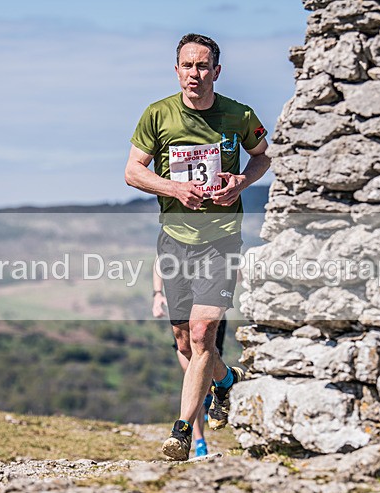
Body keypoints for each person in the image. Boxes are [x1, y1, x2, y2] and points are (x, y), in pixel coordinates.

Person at [125, 33, 270, 460]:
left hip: (221, 238)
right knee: (185, 342)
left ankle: (182, 432)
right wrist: (173, 187)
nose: (195, 74)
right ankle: (225, 381)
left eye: (203, 66)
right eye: (188, 66)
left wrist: (241, 181)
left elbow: (263, 155)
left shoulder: (239, 114)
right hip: (175, 240)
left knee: (205, 332)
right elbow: (133, 171)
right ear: (177, 70)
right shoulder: (158, 115)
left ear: (217, 71)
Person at [152, 257, 227, 457]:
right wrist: (158, 294)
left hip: (208, 312)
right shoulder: (178, 243)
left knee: (197, 367)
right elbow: (160, 261)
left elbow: (235, 273)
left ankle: (192, 437)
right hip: (183, 309)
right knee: (187, 355)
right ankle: (221, 384)